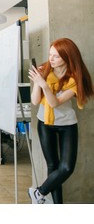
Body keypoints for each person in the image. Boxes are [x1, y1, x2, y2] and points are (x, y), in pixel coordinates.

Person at [28, 37, 93, 204]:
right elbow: (35, 101)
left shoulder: (74, 79)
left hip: (67, 125)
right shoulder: (44, 71)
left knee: (66, 168)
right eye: (50, 55)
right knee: (53, 167)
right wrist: (39, 82)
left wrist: (43, 85)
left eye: (56, 56)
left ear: (67, 57)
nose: (51, 59)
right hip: (45, 123)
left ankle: (38, 193)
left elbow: (55, 103)